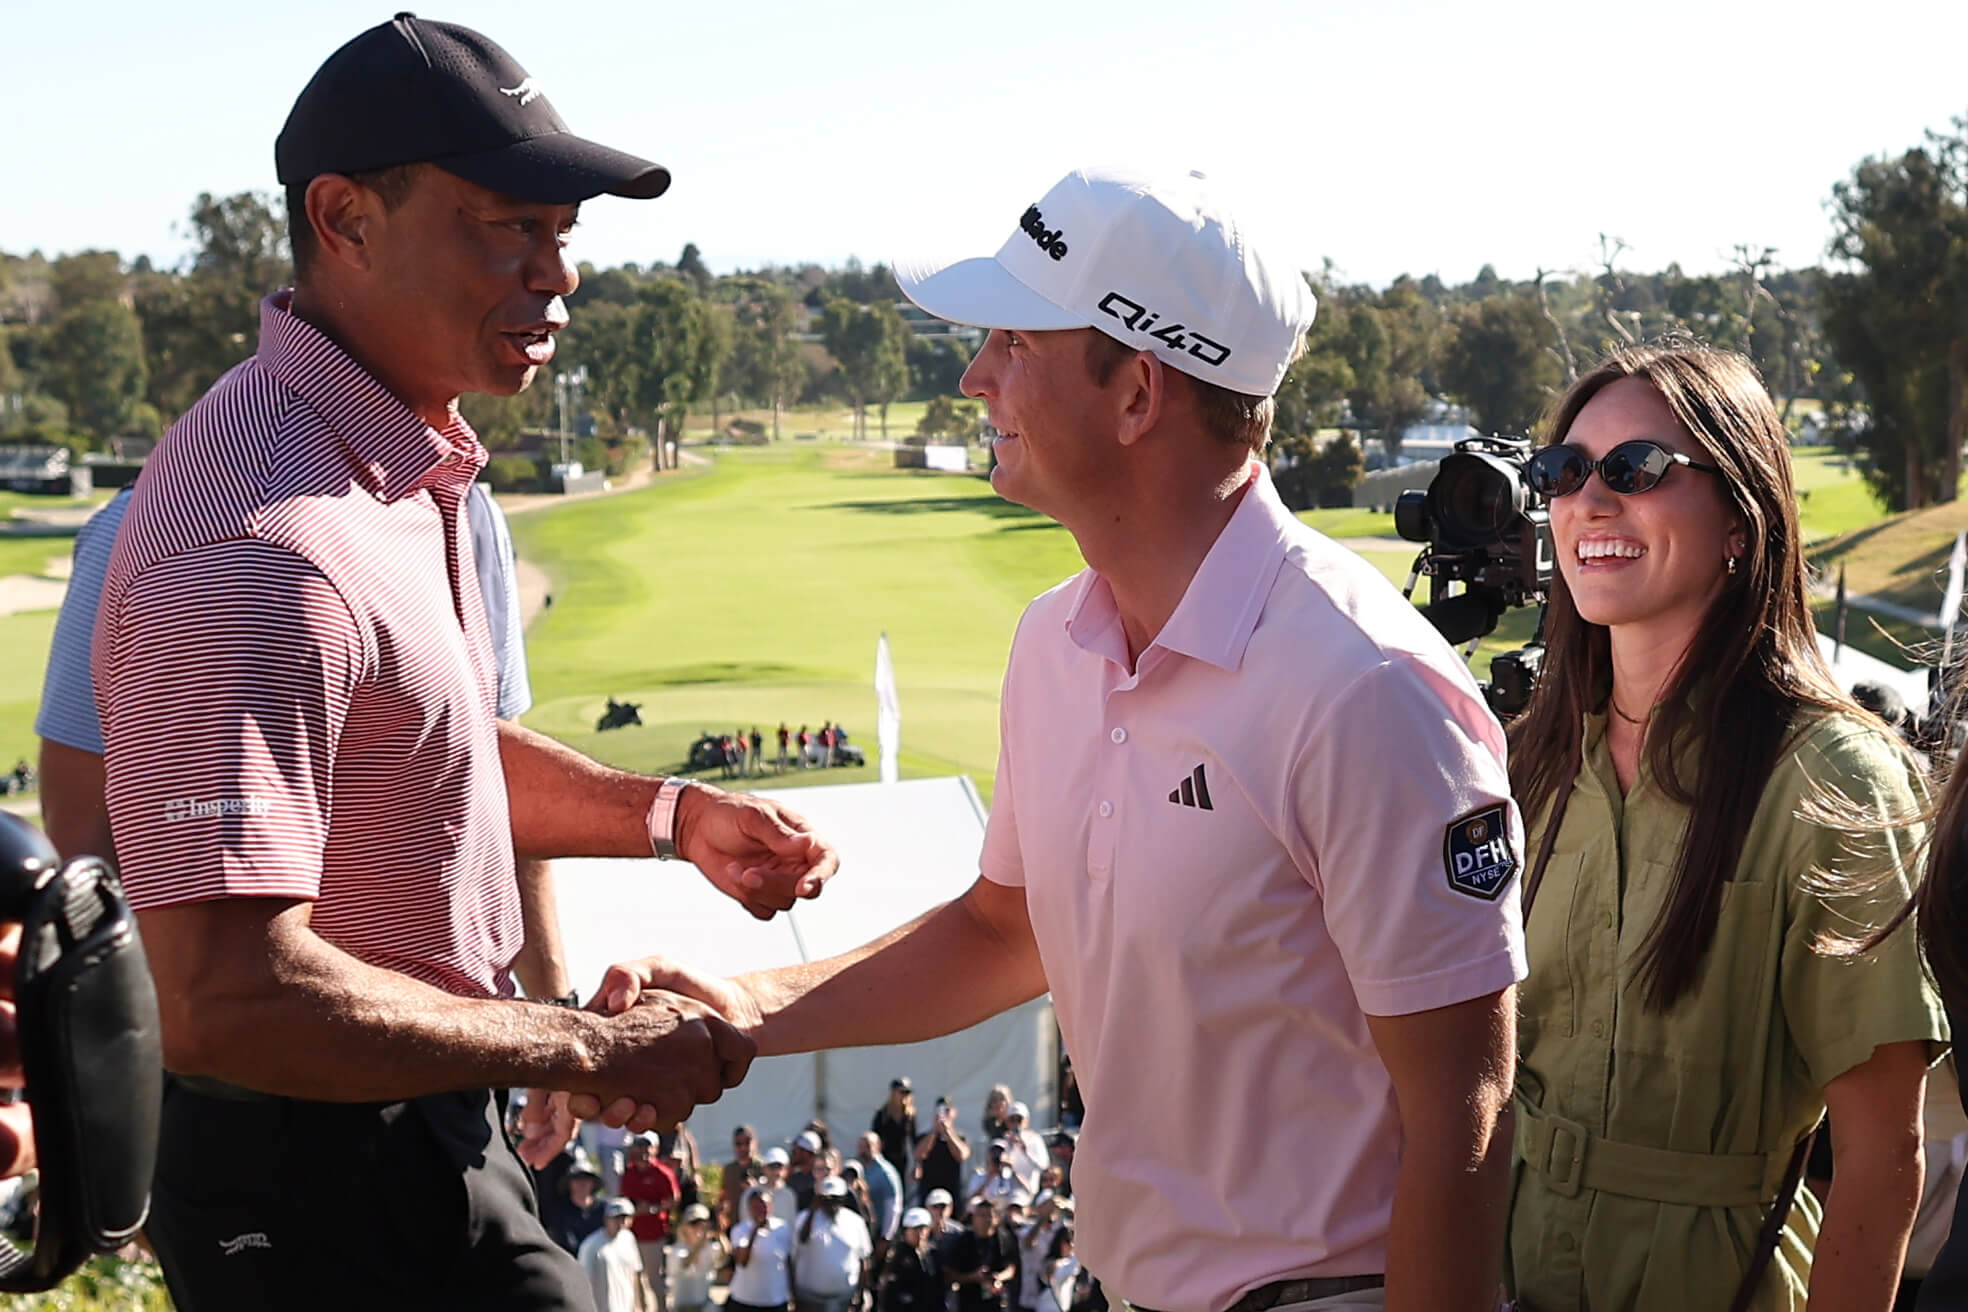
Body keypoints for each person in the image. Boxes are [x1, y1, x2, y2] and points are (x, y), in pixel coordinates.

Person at [587, 167, 1524, 1312]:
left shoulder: (1367, 688)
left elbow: (1463, 1116)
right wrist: (741, 1008)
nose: (975, 376)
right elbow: (1005, 930)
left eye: (1015, 342)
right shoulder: (1054, 643)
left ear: (1137, 393)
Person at [93, 17, 838, 1312]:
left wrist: (669, 818)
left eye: (564, 234)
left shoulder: (386, 463)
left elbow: (416, 743)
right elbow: (223, 996)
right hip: (313, 1176)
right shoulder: (261, 542)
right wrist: (581, 1043)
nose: (559, 274)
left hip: (420, 1112)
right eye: (509, 228)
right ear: (346, 219)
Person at [1503, 343, 1946, 1310]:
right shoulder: (1530, 762)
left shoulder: (1835, 783)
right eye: (1564, 471)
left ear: (1740, 520)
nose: (1590, 501)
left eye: (1636, 469)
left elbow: (1883, 1153)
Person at [792, 1176, 875, 1312]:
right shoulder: (803, 1219)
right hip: (809, 1298)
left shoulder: (855, 1221)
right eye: (826, 1200)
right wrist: (812, 1211)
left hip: (844, 1298)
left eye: (836, 1199)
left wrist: (861, 1293)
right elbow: (801, 1241)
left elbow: (864, 1259)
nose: (832, 1204)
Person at [623, 1132, 681, 1309]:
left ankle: (662, 1308)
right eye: (639, 1146)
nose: (643, 1150)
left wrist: (653, 1209)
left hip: (654, 1234)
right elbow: (625, 1199)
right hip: (633, 1233)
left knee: (654, 1278)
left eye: (647, 1146)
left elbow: (674, 1200)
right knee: (636, 1278)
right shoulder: (629, 1172)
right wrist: (635, 1209)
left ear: (655, 1148)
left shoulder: (662, 1172)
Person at [580, 1197, 658, 1312]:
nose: (622, 1222)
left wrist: (639, 1305)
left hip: (627, 1307)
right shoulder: (590, 1245)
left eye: (626, 1217)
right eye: (617, 1218)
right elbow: (584, 1282)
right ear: (606, 1219)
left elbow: (635, 1275)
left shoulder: (629, 1239)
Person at [731, 1187, 796, 1312]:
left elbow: (788, 1262)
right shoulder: (740, 1230)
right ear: (749, 1209)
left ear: (770, 1206)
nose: (761, 1210)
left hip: (775, 1299)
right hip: (746, 1300)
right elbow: (742, 1261)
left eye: (764, 1205)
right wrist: (754, 1231)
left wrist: (792, 1293)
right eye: (756, 1207)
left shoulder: (783, 1228)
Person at [949, 1197, 1017, 1312]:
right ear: (973, 1218)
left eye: (990, 1215)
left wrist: (998, 1277)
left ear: (996, 1219)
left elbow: (1011, 1268)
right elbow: (951, 1274)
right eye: (982, 1215)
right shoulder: (963, 1241)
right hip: (970, 1300)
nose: (986, 1219)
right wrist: (973, 1277)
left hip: (996, 1300)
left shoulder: (1003, 1238)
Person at [879, 1207, 946, 1312]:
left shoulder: (933, 1254)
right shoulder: (897, 1255)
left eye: (923, 1229)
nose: (920, 1234)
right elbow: (890, 1292)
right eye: (915, 1229)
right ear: (906, 1231)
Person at [670, 1203, 726, 1312]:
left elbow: (725, 1256)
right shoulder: (676, 1251)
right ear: (684, 1227)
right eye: (694, 1224)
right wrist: (701, 1242)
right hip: (683, 1308)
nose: (698, 1229)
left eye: (703, 1225)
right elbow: (685, 1264)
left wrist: (720, 1233)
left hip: (705, 1306)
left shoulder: (709, 1247)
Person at [915, 1097, 970, 1206]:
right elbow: (919, 1154)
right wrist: (935, 1131)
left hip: (952, 1191)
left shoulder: (960, 1138)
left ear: (954, 1113)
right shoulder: (924, 1137)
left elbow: (962, 1155)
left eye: (947, 1111)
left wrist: (948, 1132)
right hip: (929, 1190)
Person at [858, 1130, 905, 1247]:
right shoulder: (860, 1169)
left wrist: (886, 1237)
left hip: (878, 1233)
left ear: (878, 1146)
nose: (863, 1150)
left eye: (867, 1146)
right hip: (863, 1232)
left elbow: (893, 1207)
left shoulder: (886, 1172)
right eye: (861, 1147)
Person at [873, 1078, 921, 1190]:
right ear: (893, 1093)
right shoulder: (883, 1114)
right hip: (884, 1159)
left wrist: (917, 1164)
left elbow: (914, 1141)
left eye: (907, 1093)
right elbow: (875, 1139)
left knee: (900, 1189)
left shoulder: (909, 1116)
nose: (904, 1096)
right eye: (902, 1092)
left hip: (902, 1160)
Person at [723, 1123, 767, 1230]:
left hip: (759, 1226)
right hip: (736, 1226)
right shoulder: (729, 1170)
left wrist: (756, 1187)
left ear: (755, 1143)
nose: (743, 1148)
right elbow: (724, 1197)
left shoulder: (763, 1167)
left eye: (747, 1142)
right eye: (738, 1144)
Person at [1000, 1103, 1047, 1200]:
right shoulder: (1003, 1141)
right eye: (1012, 1120)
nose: (1016, 1124)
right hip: (1007, 1193)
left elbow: (1044, 1165)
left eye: (1019, 1119)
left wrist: (1026, 1152)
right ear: (1007, 1122)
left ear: (1026, 1121)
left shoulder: (1035, 1139)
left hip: (1028, 1192)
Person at [968, 1140, 1030, 1211]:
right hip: (987, 1209)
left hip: (1006, 1210)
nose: (997, 1156)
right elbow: (972, 1197)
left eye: (1000, 1152)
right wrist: (990, 1177)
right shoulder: (979, 1175)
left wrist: (1013, 1170)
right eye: (994, 1152)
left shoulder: (1011, 1177)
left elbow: (1028, 1191)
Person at [747, 1147, 801, 1224]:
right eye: (772, 1167)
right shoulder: (751, 1193)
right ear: (763, 1169)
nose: (776, 1171)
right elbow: (746, 1222)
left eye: (780, 1167)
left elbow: (793, 1222)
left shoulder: (789, 1194)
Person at [1034, 1226, 1078, 1312]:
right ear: (1060, 1242)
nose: (1071, 1247)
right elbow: (1062, 1274)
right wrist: (1079, 1255)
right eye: (1068, 1242)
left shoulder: (1067, 1262)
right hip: (1047, 1308)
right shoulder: (1050, 1262)